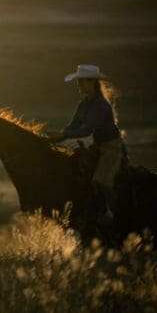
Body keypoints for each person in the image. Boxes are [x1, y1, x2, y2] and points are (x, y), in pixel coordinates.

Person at [44, 64, 124, 224]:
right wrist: (56, 137)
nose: (78, 85)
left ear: (91, 82)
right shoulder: (84, 104)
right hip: (99, 146)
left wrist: (63, 134)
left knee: (100, 180)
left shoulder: (101, 105)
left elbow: (87, 130)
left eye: (81, 82)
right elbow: (73, 126)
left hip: (111, 148)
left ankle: (111, 213)